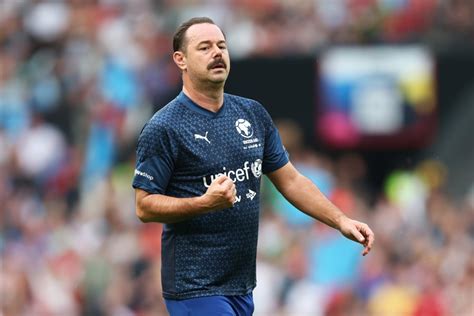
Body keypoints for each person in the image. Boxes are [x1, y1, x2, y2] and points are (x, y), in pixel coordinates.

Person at [132, 17, 375, 316]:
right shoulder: (164, 127)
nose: (217, 53)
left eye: (222, 46)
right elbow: (144, 206)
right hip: (194, 287)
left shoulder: (252, 113)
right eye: (205, 47)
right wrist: (204, 203)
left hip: (242, 286)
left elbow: (292, 181)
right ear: (180, 59)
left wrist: (340, 221)